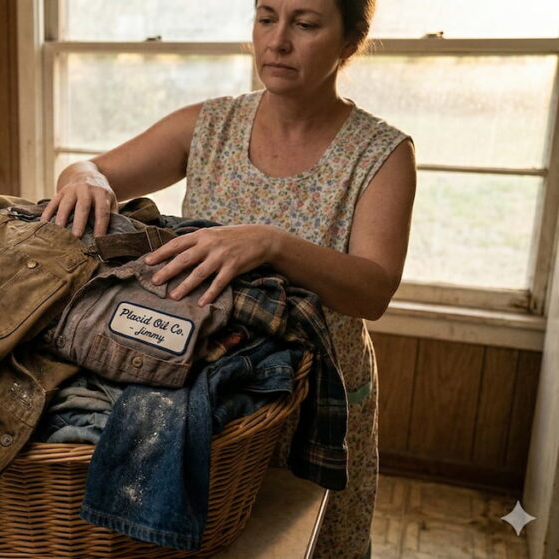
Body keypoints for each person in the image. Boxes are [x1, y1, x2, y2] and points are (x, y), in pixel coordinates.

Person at [41, 0, 416, 557]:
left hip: (316, 394)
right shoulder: (209, 126)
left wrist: (272, 243)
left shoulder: (381, 154)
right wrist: (83, 178)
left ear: (348, 41)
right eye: (267, 18)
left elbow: (372, 289)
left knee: (304, 542)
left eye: (305, 23)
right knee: (208, 535)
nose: (278, 40)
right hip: (210, 387)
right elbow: (91, 169)